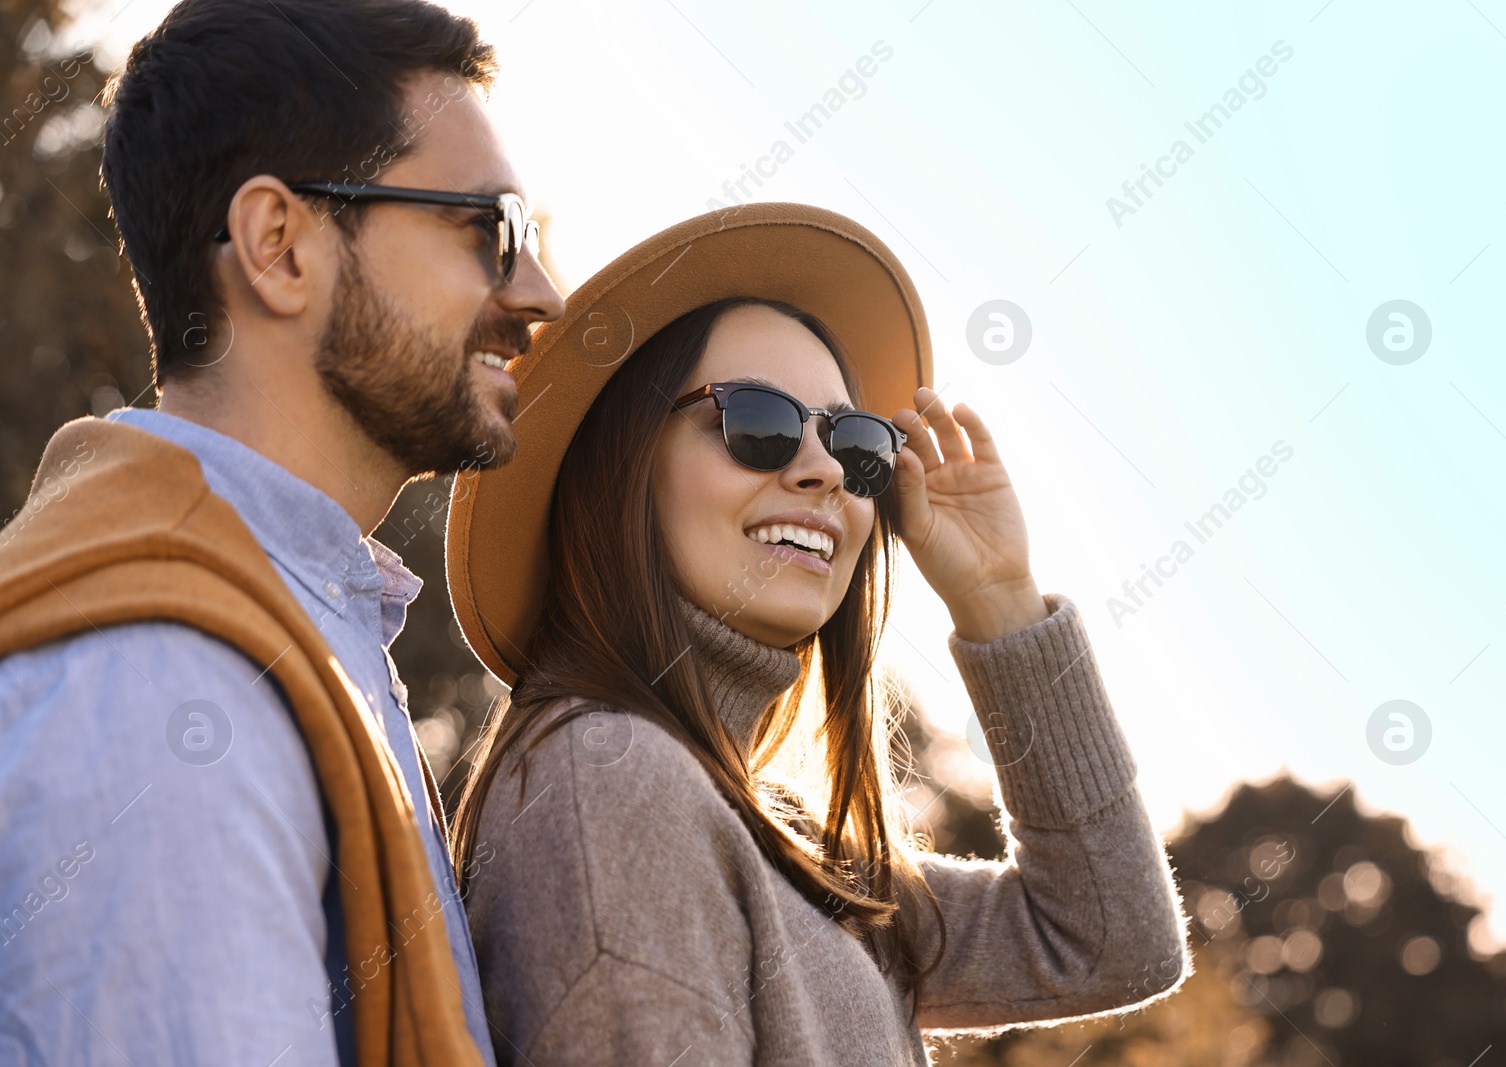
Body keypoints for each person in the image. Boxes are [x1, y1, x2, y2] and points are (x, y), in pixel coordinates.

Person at [445, 203, 1189, 1066]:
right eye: (756, 423)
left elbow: (1112, 938)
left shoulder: (777, 838)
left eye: (856, 441)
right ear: (621, 466)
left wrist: (1001, 600)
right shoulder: (615, 781)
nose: (827, 469)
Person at [0, 1, 562, 1063]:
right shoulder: (170, 686)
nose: (540, 294)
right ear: (279, 245)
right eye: (489, 230)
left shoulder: (291, 628)